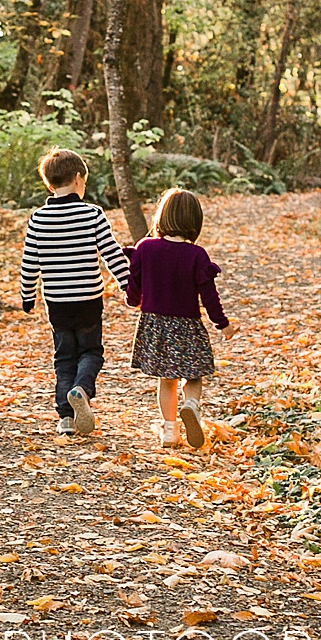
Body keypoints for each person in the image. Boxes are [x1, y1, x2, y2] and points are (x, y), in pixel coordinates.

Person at [17, 149, 130, 437]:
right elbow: (111, 254)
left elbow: (30, 263)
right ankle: (82, 388)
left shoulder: (38, 219)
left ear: (49, 184)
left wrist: (27, 296)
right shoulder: (92, 213)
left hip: (57, 302)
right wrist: (129, 285)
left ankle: (66, 418)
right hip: (89, 300)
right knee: (91, 350)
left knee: (64, 355)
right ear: (79, 179)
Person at [126, 188, 230, 449]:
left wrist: (131, 300)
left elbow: (134, 284)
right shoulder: (196, 255)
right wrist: (222, 323)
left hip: (155, 325)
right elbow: (209, 296)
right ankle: (191, 405)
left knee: (167, 379)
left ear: (162, 217)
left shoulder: (145, 248)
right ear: (195, 222)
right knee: (194, 376)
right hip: (187, 325)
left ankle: (170, 430)